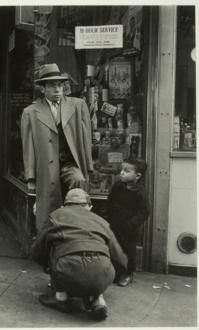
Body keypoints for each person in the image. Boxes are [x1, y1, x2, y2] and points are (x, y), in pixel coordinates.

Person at [32, 188, 127, 320]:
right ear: (89, 207)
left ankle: (61, 298)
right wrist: (113, 277)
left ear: (64, 205)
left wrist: (48, 267)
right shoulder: (102, 221)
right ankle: (98, 300)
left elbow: (38, 249)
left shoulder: (56, 215)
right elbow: (119, 257)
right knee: (99, 263)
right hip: (103, 273)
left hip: (68, 269)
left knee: (57, 247)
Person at [21, 63, 93, 230]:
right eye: (52, 85)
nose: (57, 89)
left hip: (69, 162)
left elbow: (86, 137)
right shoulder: (30, 112)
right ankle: (49, 240)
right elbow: (28, 147)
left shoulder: (78, 105)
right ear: (42, 89)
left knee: (79, 181)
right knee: (48, 208)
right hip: (46, 167)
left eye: (60, 85)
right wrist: (30, 177)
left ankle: (77, 229)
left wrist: (88, 166)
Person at [107, 158, 149, 287]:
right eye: (121, 170)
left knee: (129, 251)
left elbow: (144, 212)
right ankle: (116, 272)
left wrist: (130, 225)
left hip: (130, 229)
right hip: (115, 224)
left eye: (126, 171)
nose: (122, 173)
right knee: (114, 248)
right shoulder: (117, 186)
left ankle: (128, 273)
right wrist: (109, 218)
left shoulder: (140, 192)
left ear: (137, 176)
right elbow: (110, 201)